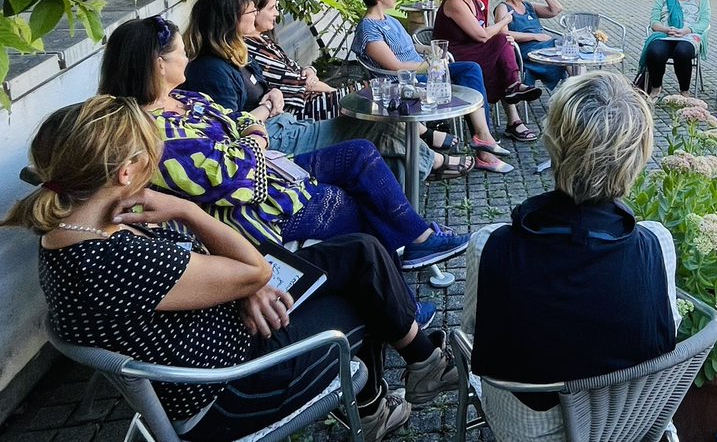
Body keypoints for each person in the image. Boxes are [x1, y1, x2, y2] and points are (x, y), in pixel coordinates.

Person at [2, 96, 458, 442]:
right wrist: (188, 212)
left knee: (358, 251)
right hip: (232, 389)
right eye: (150, 155)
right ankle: (382, 402)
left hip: (224, 329)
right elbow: (252, 269)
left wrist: (244, 286)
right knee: (363, 294)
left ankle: (423, 364)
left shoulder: (84, 228)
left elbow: (212, 269)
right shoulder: (110, 258)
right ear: (125, 174)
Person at [100, 17, 469, 269]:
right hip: (246, 209)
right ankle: (399, 294)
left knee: (360, 153)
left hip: (271, 168)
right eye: (180, 51)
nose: (187, 56)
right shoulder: (153, 132)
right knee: (354, 204)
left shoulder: (186, 98)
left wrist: (252, 129)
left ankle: (416, 241)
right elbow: (233, 176)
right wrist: (255, 136)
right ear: (158, 65)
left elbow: (237, 118)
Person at [462, 72, 679, 442]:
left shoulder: (490, 245)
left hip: (528, 429)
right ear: (638, 155)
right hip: (626, 423)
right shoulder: (656, 243)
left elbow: (471, 329)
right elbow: (667, 329)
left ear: (554, 142)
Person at [240, 0, 465, 181]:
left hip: (308, 100)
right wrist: (432, 64)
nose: (277, 13)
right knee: (379, 101)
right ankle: (429, 155)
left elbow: (297, 72)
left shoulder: (263, 40)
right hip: (303, 109)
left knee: (382, 102)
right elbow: (295, 83)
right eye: (271, 8)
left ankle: (422, 151)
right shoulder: (249, 49)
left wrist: (309, 71)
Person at [351, 0, 513, 174]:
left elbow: (409, 48)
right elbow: (394, 66)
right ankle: (484, 147)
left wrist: (429, 49)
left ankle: (483, 139)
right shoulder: (369, 29)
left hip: (424, 71)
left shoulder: (388, 20)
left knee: (471, 69)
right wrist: (433, 64)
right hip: (406, 82)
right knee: (469, 72)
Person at [434, 0, 541, 144]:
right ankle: (512, 103)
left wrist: (501, 36)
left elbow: (483, 32)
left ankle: (513, 109)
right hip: (454, 56)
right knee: (501, 42)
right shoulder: (455, 2)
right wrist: (504, 22)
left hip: (472, 49)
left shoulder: (475, 3)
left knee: (502, 45)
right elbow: (482, 35)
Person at [635, 0, 710, 99]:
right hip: (664, 34)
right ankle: (656, 88)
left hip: (689, 35)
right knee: (655, 51)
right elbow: (654, 21)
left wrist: (686, 30)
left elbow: (704, 22)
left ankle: (684, 91)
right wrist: (667, 29)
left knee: (682, 52)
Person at [494, 0, 566, 91]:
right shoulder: (503, 7)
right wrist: (535, 36)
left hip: (543, 48)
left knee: (569, 48)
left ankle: (576, 86)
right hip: (524, 51)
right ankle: (576, 89)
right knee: (563, 46)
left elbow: (556, 9)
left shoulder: (528, 6)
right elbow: (503, 33)